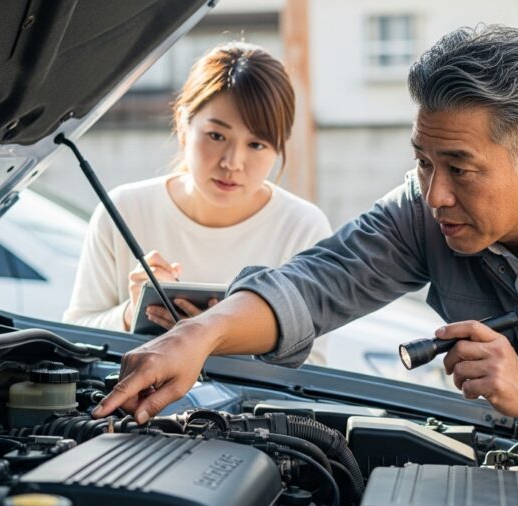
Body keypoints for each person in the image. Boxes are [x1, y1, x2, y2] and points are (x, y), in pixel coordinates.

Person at [94, 26, 518, 470]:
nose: (435, 194)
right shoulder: (424, 210)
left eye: (460, 168)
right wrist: (201, 335)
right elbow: (317, 283)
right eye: (422, 163)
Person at [63, 43, 332, 361]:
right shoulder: (123, 210)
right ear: (182, 123)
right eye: (217, 136)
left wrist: (215, 337)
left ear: (278, 147)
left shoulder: (302, 228)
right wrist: (129, 313)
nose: (233, 162)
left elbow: (314, 362)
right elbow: (75, 335)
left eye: (257, 144)